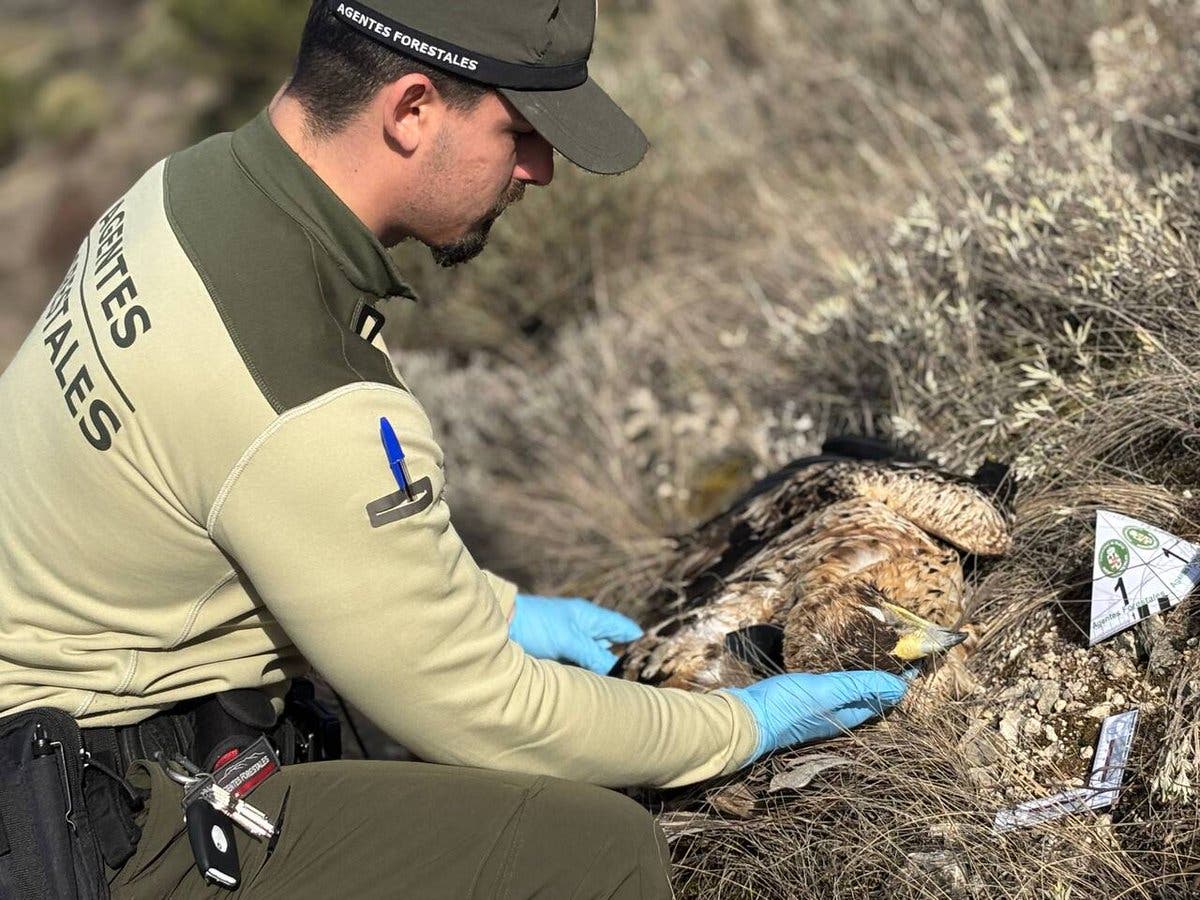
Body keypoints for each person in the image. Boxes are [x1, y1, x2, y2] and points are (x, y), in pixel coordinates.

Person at [0, 1, 907, 896]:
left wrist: (496, 607)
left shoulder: (191, 189)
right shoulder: (295, 387)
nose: (541, 170)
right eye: (521, 131)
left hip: (62, 726)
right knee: (594, 848)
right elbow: (485, 715)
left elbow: (264, 503)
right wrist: (730, 727)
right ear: (412, 110)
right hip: (81, 822)